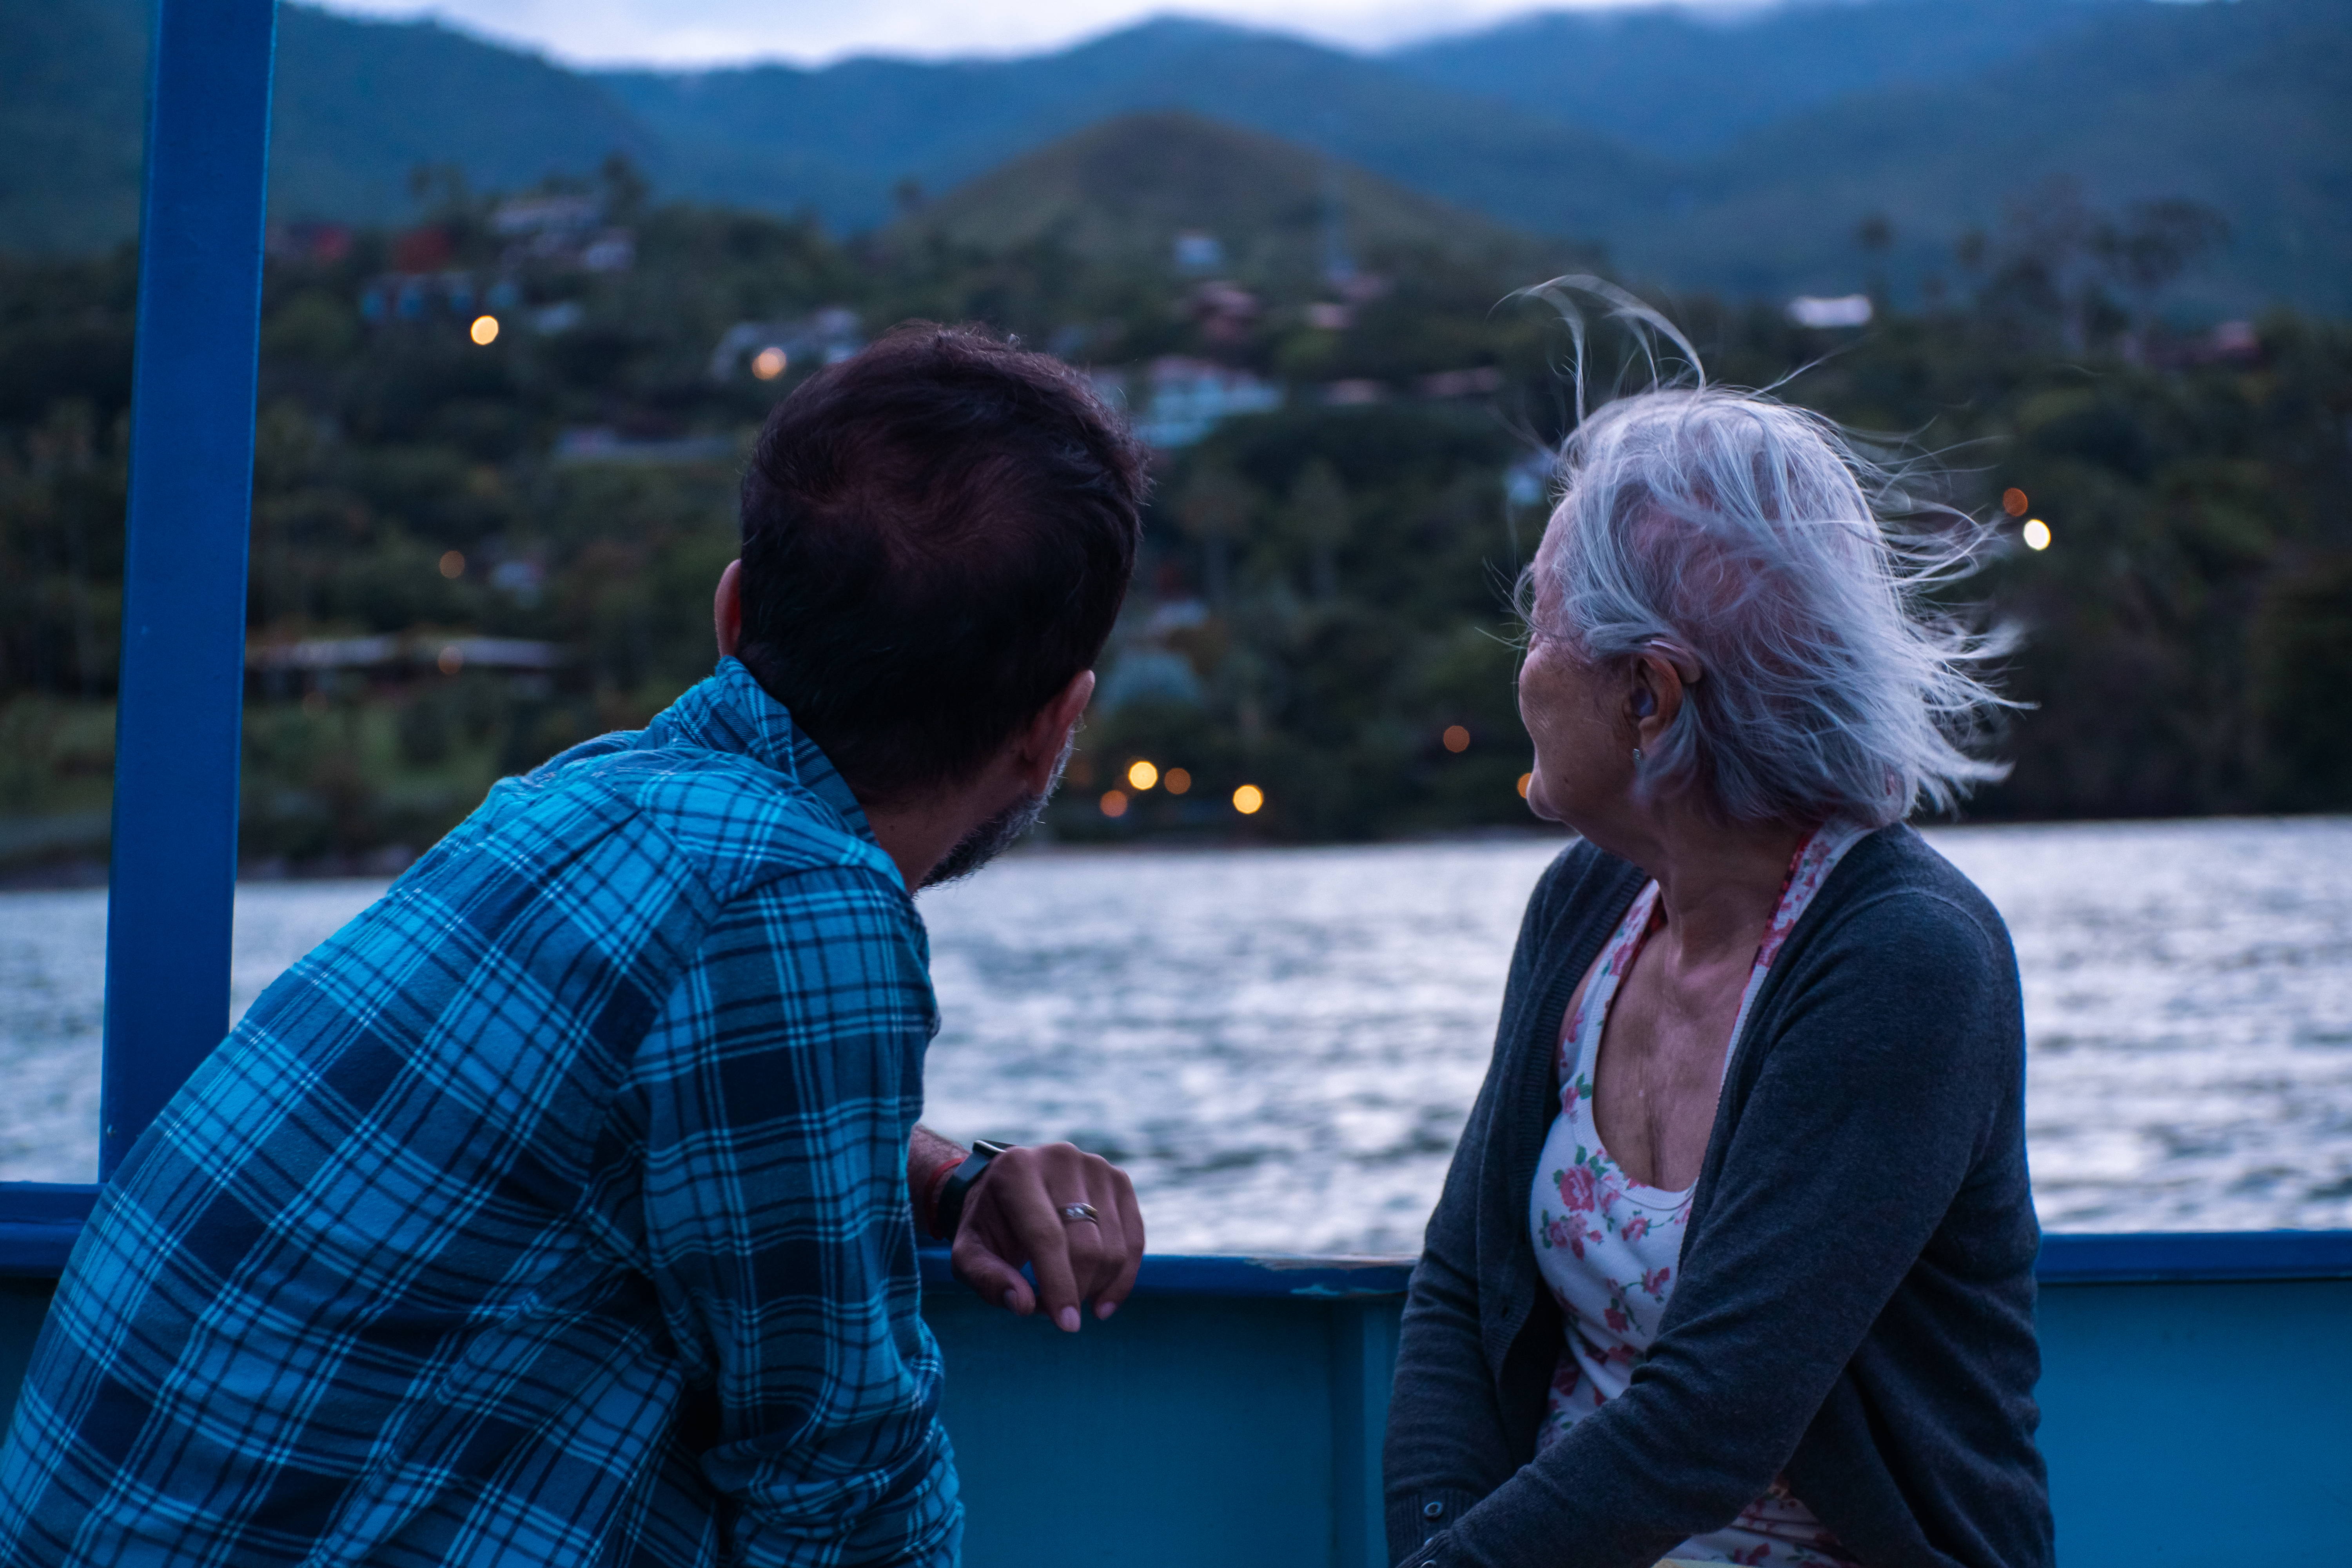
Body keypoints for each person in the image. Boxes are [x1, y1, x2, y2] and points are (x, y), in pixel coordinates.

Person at [0, 324, 1150, 1566]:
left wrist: (948, 1180)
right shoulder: (798, 899)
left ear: (732, 612)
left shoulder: (587, 800)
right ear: (1054, 727)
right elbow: (841, 1491)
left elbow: (631, 1135)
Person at [1383, 383, 2052, 1567]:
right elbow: (1459, 1286)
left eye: (1539, 630)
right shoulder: (1586, 905)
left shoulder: (1904, 957)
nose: (1522, 672)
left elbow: (1713, 1418)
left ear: (1649, 697)